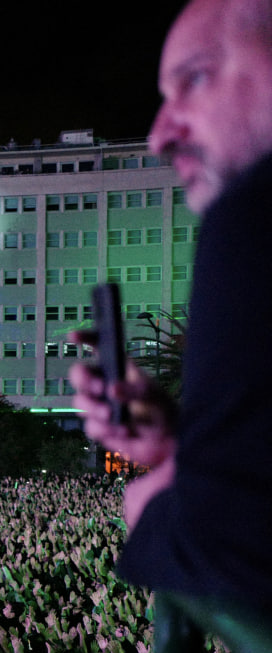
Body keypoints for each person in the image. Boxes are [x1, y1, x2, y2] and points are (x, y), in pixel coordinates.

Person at [69, 0, 272, 608]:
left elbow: (228, 547)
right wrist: (182, 449)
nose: (160, 134)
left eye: (195, 79)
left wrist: (151, 504)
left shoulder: (252, 220)